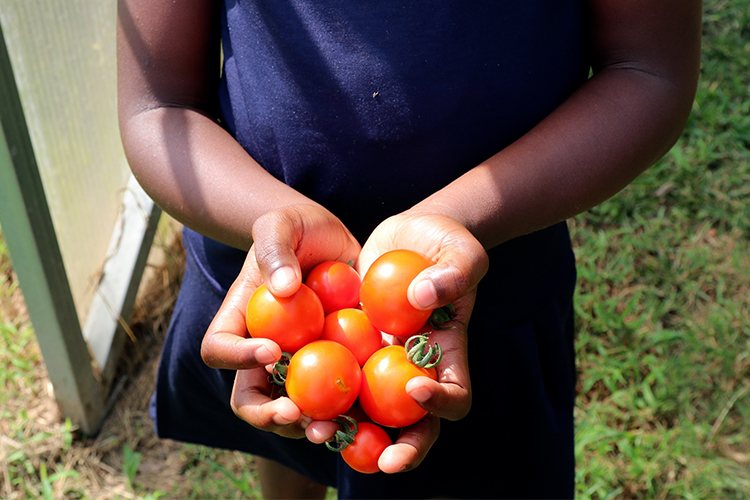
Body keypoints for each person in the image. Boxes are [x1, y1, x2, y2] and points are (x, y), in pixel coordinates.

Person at [117, 1, 702, 498]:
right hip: (272, 276)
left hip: (492, 288)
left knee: (460, 467)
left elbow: (648, 69)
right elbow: (157, 105)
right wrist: (269, 220)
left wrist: (459, 217)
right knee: (289, 432)